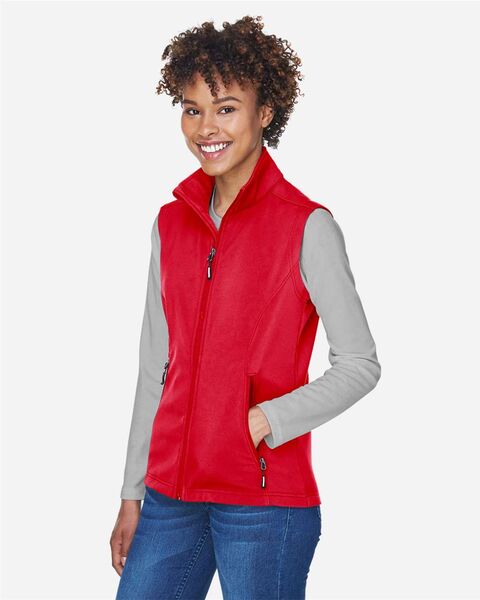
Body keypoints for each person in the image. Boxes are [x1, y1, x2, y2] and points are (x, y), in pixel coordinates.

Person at [111, 15, 381, 600]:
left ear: (265, 113)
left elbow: (360, 364)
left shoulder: (307, 226)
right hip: (170, 496)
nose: (206, 127)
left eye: (226, 108)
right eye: (192, 109)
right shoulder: (171, 224)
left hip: (263, 504)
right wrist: (133, 491)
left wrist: (266, 420)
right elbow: (155, 365)